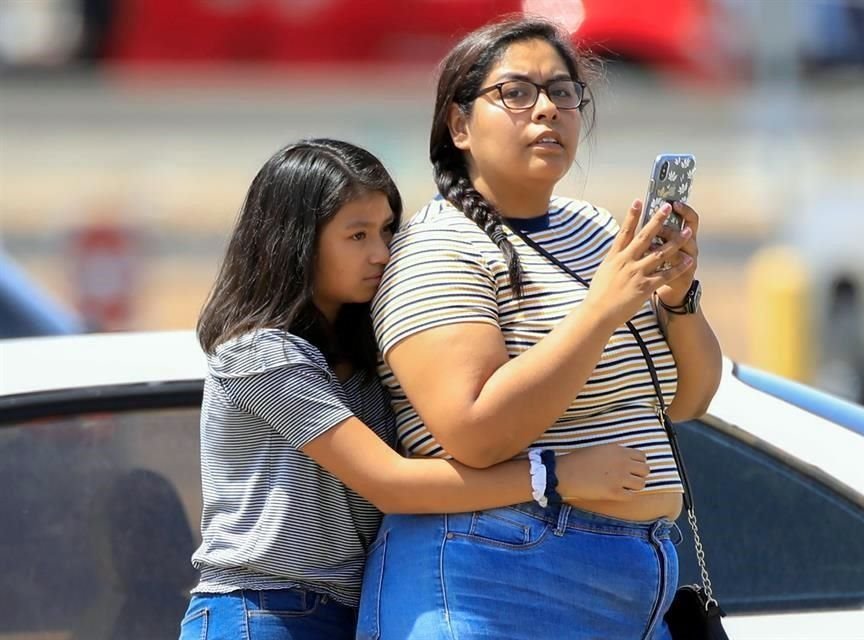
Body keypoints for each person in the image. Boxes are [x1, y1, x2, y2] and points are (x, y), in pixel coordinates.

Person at [178, 138, 653, 640]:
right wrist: (554, 475)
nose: (381, 253)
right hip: (261, 610)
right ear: (295, 241)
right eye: (357, 235)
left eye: (386, 230)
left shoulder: (366, 359)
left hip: (351, 607)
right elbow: (391, 483)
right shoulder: (259, 354)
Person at [358, 16, 722, 640]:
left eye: (563, 92)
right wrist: (602, 310)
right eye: (517, 93)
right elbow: (473, 431)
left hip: (635, 581)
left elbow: (688, 400)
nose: (547, 110)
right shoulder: (438, 245)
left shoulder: (595, 229)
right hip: (495, 575)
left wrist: (678, 298)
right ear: (460, 124)